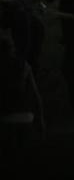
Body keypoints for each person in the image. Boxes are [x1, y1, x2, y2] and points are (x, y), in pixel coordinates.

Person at [0, 32, 44, 170]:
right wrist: (41, 119)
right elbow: (36, 95)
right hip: (26, 116)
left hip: (4, 117)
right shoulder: (23, 65)